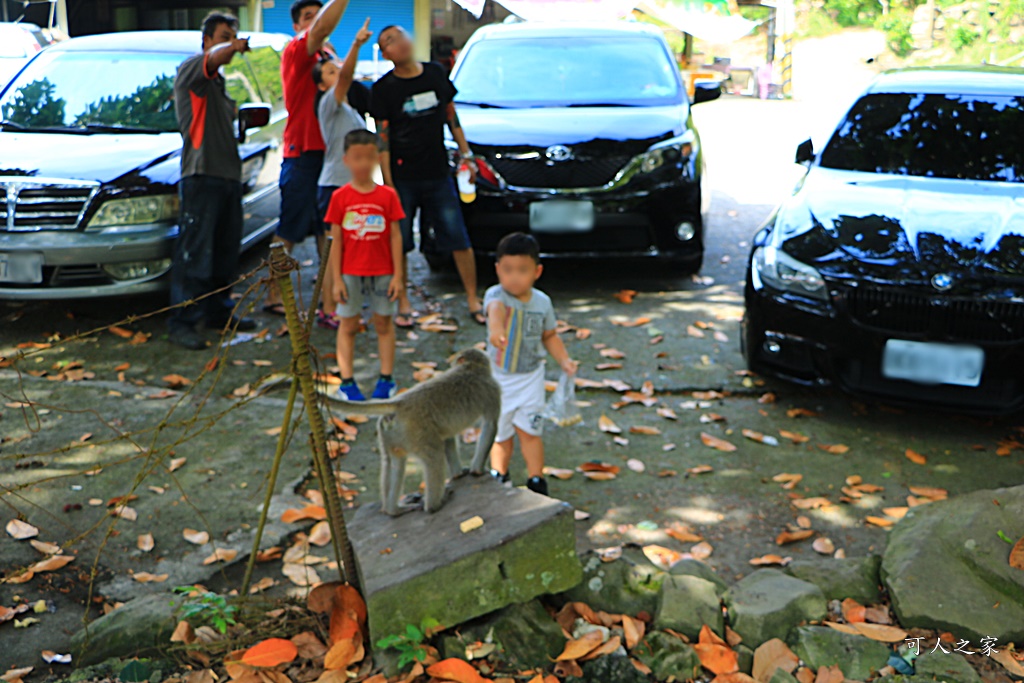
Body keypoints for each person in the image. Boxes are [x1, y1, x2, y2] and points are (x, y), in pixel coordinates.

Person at [371, 25, 482, 329]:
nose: (400, 43)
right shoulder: (383, 89)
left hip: (438, 174)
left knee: (458, 237)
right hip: (403, 178)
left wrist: (466, 154)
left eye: (402, 35)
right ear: (385, 54)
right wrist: (388, 184)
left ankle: (473, 298)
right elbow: (383, 140)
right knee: (401, 243)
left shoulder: (435, 73)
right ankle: (403, 302)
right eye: (389, 41)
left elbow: (451, 116)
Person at [170, 12, 257, 350]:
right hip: (201, 175)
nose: (230, 43)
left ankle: (218, 312)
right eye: (223, 35)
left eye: (233, 35)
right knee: (195, 253)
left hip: (228, 175)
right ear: (206, 40)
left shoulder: (219, 85)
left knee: (224, 252)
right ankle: (183, 321)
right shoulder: (193, 69)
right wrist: (233, 46)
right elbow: (215, 58)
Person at [263, 0, 349, 318]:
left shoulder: (328, 59)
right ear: (297, 26)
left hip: (331, 156)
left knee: (325, 229)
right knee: (289, 229)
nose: (317, 23)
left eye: (318, 15)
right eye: (308, 18)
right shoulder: (298, 51)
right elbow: (323, 29)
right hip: (302, 155)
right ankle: (273, 291)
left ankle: (329, 296)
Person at [485, 233, 577, 495]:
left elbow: (549, 336)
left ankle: (536, 480)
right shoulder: (496, 294)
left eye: (522, 270)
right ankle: (499, 475)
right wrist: (495, 329)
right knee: (500, 434)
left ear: (537, 271)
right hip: (498, 379)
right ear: (497, 269)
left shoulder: (542, 302)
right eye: (507, 270)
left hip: (530, 378)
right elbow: (495, 309)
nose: (514, 277)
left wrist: (564, 361)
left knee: (530, 432)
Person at [325, 129, 406, 400]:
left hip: (383, 272)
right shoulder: (340, 198)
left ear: (377, 159)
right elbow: (335, 241)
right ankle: (347, 382)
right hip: (350, 273)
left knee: (384, 323)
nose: (363, 164)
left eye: (369, 158)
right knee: (347, 326)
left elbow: (396, 236)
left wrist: (398, 276)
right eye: (357, 158)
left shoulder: (388, 196)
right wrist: (336, 279)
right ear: (346, 159)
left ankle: (386, 378)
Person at [312, 18, 373, 330]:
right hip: (334, 187)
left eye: (338, 70)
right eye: (331, 73)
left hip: (349, 187)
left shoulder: (348, 110)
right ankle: (328, 309)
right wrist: (356, 45)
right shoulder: (328, 104)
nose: (339, 75)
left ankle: (342, 307)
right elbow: (347, 76)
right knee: (332, 252)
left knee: (347, 250)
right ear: (323, 85)